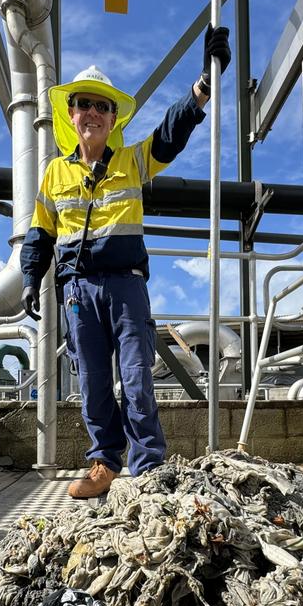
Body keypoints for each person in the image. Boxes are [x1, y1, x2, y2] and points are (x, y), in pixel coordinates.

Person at [21, 25, 231, 498]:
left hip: (126, 287)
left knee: (136, 378)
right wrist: (31, 278)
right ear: (70, 114)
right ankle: (103, 463)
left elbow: (169, 136)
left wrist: (201, 88)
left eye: (102, 105)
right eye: (83, 104)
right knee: (94, 381)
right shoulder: (55, 172)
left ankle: (149, 467)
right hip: (77, 291)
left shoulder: (132, 161)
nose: (92, 112)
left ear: (113, 118)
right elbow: (41, 232)